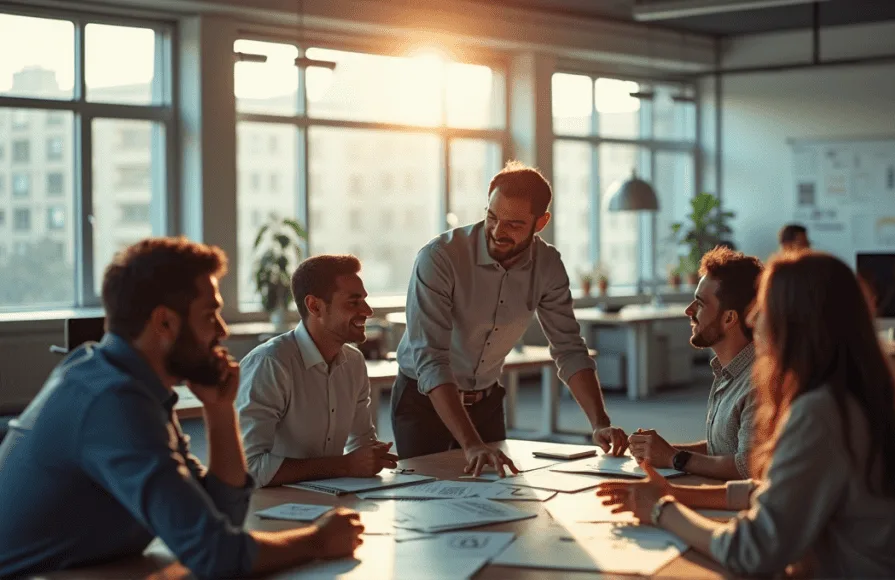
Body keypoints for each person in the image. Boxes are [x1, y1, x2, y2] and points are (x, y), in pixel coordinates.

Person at [0, 238, 364, 579]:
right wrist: (318, 541)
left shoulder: (128, 384)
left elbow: (222, 515)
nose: (222, 330)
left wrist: (220, 411)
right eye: (210, 315)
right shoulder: (112, 402)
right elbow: (215, 554)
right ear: (164, 322)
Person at [598, 251, 895, 578]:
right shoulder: (847, 396)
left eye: (764, 309)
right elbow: (773, 491)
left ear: (795, 323)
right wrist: (675, 493)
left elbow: (751, 551)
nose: (753, 320)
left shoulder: (820, 413)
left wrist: (662, 510)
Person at [393, 161, 628, 474]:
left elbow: (569, 348)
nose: (498, 232)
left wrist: (599, 423)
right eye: (492, 217)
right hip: (425, 401)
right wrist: (471, 444)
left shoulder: (547, 265)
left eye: (514, 225)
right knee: (425, 494)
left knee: (498, 495)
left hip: (486, 402)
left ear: (541, 222)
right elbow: (431, 360)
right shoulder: (440, 257)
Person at [237, 254, 398, 488]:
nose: (368, 311)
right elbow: (248, 468)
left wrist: (372, 457)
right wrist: (345, 465)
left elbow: (361, 443)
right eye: (354, 302)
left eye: (364, 300)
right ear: (315, 306)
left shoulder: (354, 362)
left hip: (328, 497)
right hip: (271, 504)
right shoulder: (270, 363)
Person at [628, 246, 763, 481]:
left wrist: (674, 458)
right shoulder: (730, 371)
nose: (689, 310)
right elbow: (722, 448)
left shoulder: (759, 382)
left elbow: (747, 467)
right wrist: (661, 451)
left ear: (729, 318)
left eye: (700, 303)